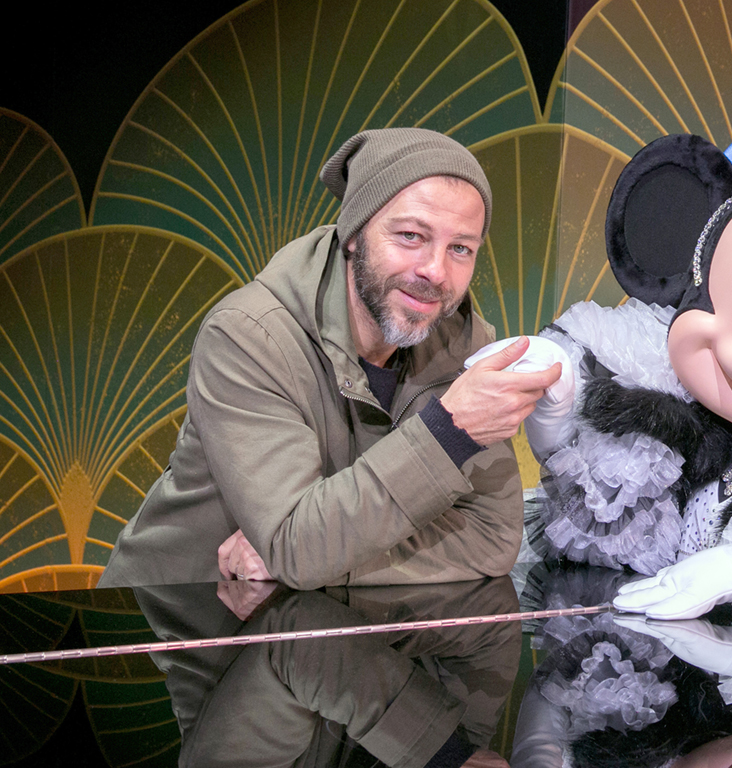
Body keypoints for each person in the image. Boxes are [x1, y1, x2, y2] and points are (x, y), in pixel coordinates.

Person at [99, 128, 561, 589]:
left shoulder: (462, 340)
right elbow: (294, 545)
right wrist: (448, 431)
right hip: (166, 626)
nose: (436, 271)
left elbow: (492, 537)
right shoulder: (248, 336)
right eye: (410, 235)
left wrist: (328, 560)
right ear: (354, 234)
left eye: (460, 248)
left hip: (316, 629)